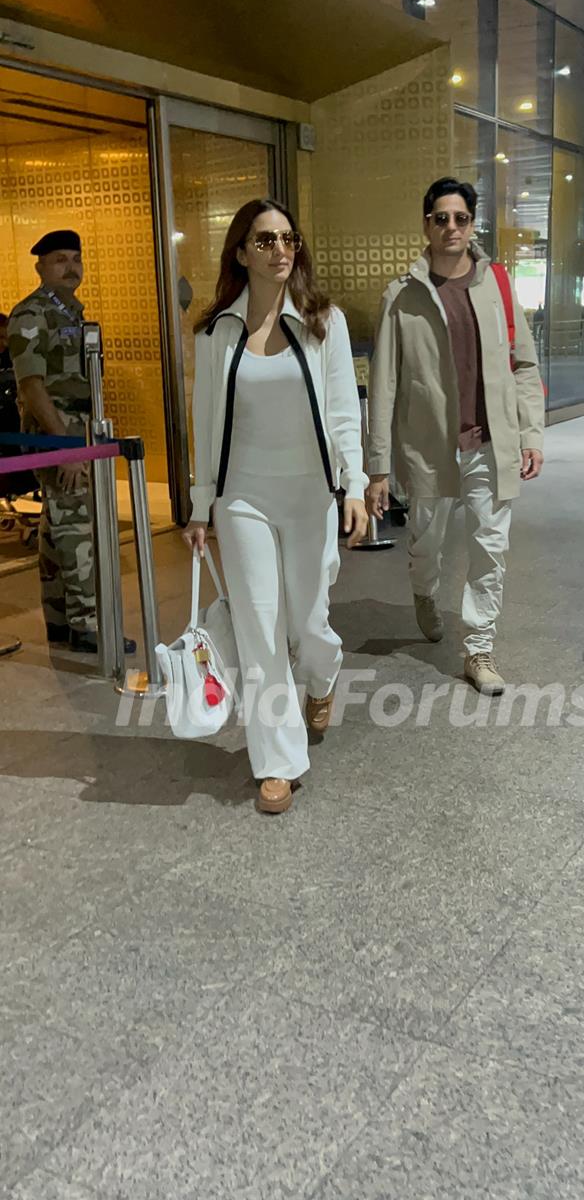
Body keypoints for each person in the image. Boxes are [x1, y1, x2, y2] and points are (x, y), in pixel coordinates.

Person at [182, 199, 367, 814]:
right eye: (264, 241)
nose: (280, 250)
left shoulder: (323, 322)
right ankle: (278, 762)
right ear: (240, 252)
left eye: (288, 239)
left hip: (310, 493)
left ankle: (323, 676)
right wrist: (201, 505)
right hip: (243, 501)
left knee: (309, 627)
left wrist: (356, 485)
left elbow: (343, 410)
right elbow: (205, 422)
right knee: (260, 629)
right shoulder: (215, 333)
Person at [366, 176, 544, 695]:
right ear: (426, 224)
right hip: (429, 448)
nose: (451, 227)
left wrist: (531, 435)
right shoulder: (402, 296)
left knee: (491, 547)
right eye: (441, 218)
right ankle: (424, 591)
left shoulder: (496, 285)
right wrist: (378, 467)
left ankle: (479, 648)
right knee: (428, 544)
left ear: (472, 224)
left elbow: (524, 364)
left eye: (460, 218)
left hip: (491, 442)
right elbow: (384, 385)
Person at [7, 230, 134, 654]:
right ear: (40, 266)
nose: (71, 266)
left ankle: (61, 621)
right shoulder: (32, 314)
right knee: (78, 525)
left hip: (78, 431)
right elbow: (32, 387)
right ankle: (87, 625)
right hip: (56, 434)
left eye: (76, 258)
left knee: (58, 524)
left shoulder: (72, 313)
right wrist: (66, 447)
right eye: (60, 259)